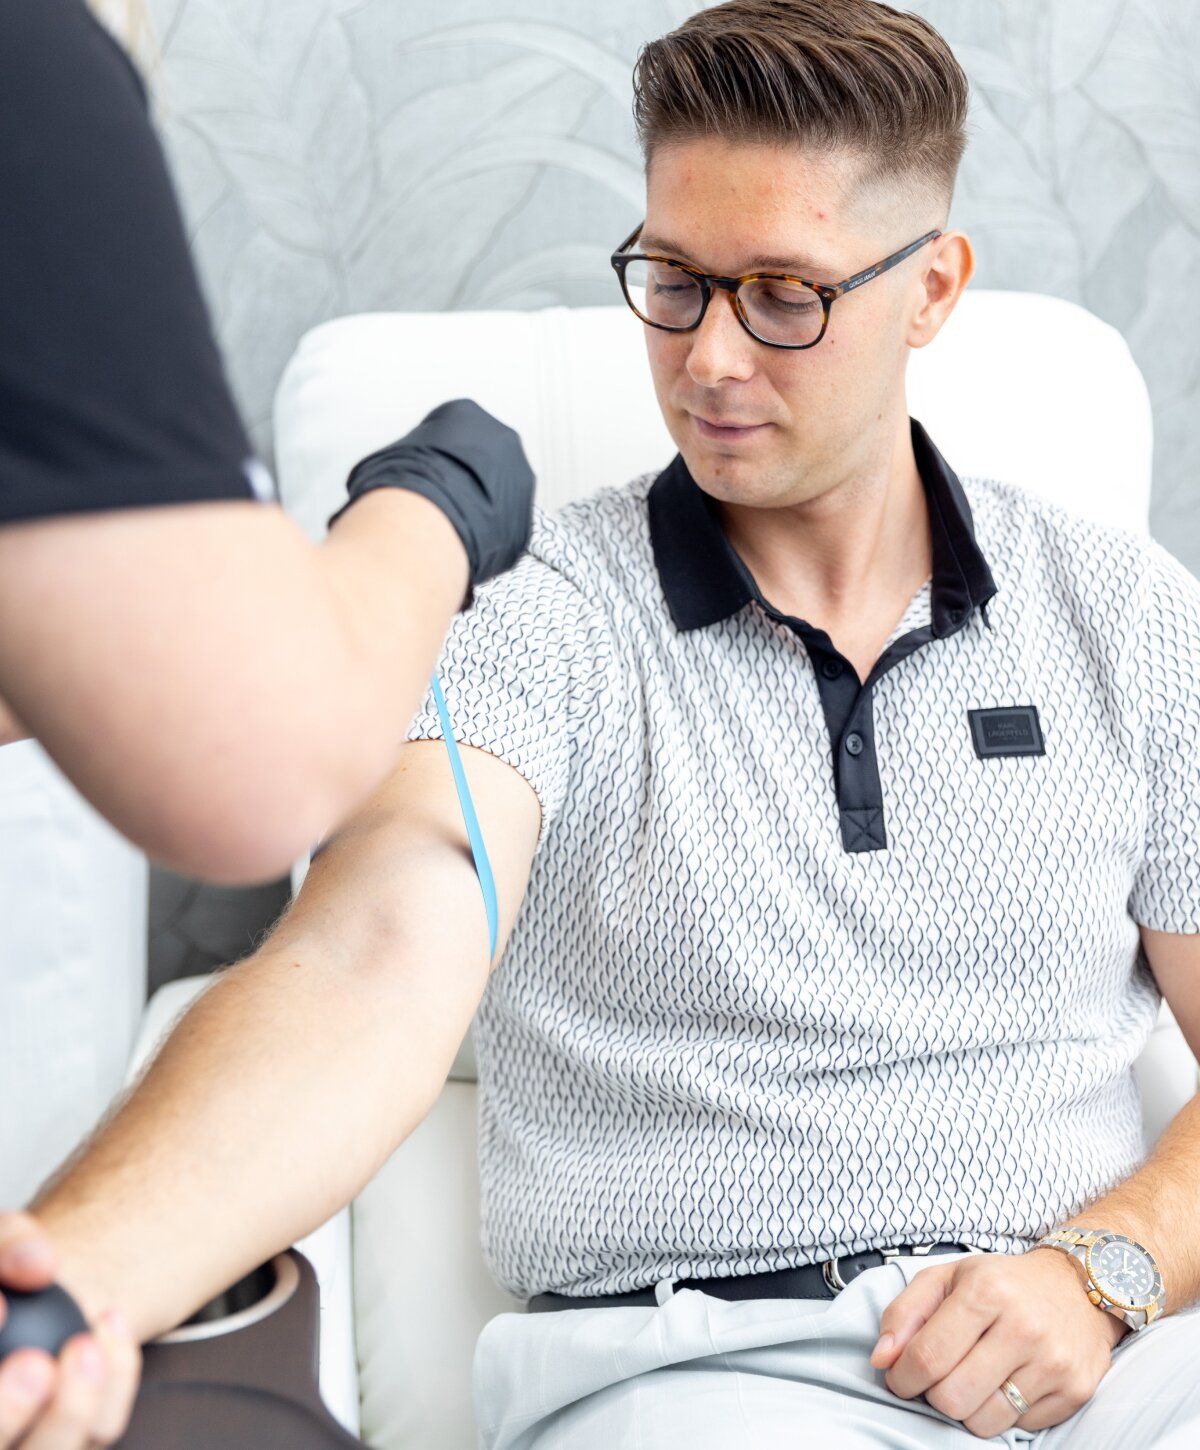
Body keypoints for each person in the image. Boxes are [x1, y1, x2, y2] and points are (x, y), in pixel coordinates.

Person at [4, 0, 1200, 1444]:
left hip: (1108, 1358)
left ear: (932, 288)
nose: (709, 357)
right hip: (712, 1384)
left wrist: (1110, 1265)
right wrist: (72, 1286)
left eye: (784, 296)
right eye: (674, 281)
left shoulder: (1123, 613)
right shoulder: (537, 613)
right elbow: (369, 948)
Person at [0, 0, 534, 886]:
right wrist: (438, 499)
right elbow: (259, 765)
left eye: (777, 296)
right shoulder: (27, 68)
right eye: (672, 284)